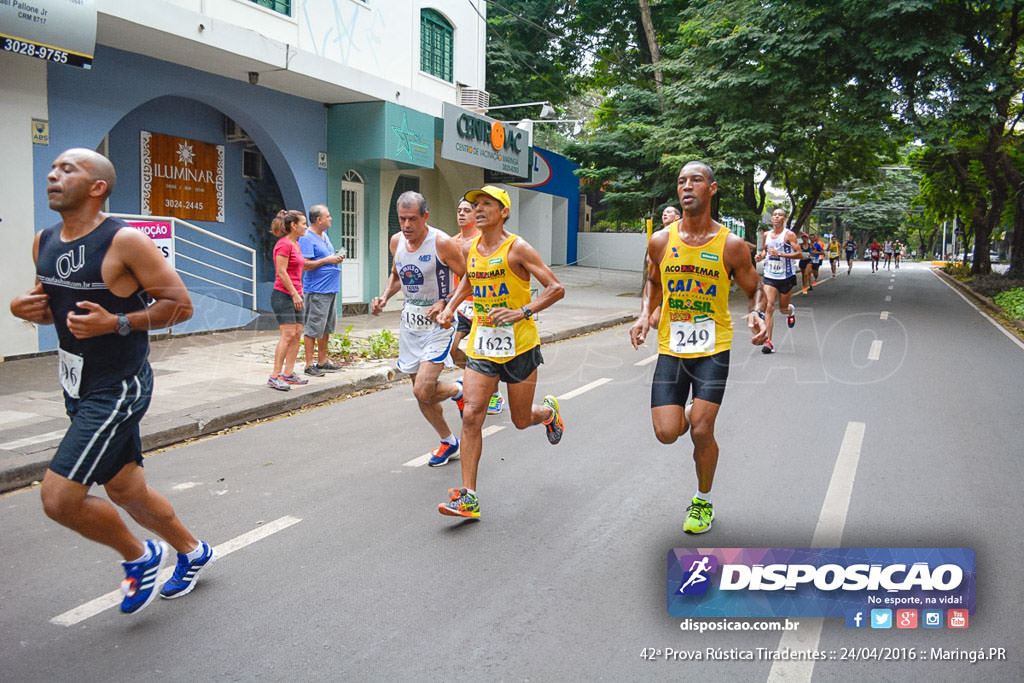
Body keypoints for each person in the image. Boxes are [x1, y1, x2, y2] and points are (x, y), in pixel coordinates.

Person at [9, 148, 213, 614]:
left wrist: (117, 323)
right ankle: (194, 550)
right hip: (76, 384)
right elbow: (49, 305)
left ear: (97, 186)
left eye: (67, 170)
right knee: (125, 490)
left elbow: (179, 305)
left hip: (120, 386)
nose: (53, 175)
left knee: (59, 499)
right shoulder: (45, 242)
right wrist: (21, 309)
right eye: (53, 169)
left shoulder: (125, 242)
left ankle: (140, 556)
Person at [629, 161, 767, 534]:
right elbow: (653, 283)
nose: (687, 186)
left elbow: (755, 289)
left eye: (696, 180)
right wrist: (646, 314)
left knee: (701, 430)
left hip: (712, 348)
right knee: (667, 432)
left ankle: (702, 500)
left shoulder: (732, 245)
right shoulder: (660, 240)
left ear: (712, 189)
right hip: (672, 348)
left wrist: (758, 315)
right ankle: (687, 412)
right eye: (681, 181)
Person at [436, 185, 566, 519]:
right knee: (472, 413)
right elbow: (469, 281)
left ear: (503, 211)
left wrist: (522, 311)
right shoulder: (472, 248)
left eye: (485, 204)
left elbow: (556, 288)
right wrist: (451, 307)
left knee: (521, 420)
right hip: (482, 343)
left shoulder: (518, 248)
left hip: (520, 346)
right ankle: (469, 497)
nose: (477, 209)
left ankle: (548, 414)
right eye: (474, 204)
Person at [371, 191, 466, 466]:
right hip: (410, 325)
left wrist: (445, 302)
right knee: (423, 397)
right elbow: (397, 274)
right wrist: (384, 296)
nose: (407, 225)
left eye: (412, 218)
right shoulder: (397, 242)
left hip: (441, 324)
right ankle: (448, 441)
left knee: (423, 390)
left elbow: (467, 279)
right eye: (402, 219)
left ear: (425, 216)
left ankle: (458, 390)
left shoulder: (442, 242)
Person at [450, 198, 505, 416]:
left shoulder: (483, 242)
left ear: (475, 215)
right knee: (451, 350)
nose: (462, 214)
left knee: (487, 354)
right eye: (459, 210)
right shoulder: (453, 242)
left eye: (466, 210)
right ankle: (478, 377)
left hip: (484, 307)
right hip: (462, 307)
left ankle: (493, 393)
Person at [298, 204, 344, 377]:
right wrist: (327, 260)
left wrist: (335, 258)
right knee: (313, 327)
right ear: (318, 219)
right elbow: (305, 265)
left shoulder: (324, 236)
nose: (330, 218)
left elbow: (327, 258)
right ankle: (309, 364)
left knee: (326, 327)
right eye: (328, 216)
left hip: (330, 289)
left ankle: (322, 361)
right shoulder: (307, 238)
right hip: (317, 290)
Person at [267, 210, 310, 390]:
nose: (306, 227)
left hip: (296, 294)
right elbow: (282, 272)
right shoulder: (283, 245)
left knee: (297, 333)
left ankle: (288, 373)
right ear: (294, 226)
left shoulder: (296, 244)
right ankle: (275, 376)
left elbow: (299, 267)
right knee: (288, 335)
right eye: (303, 223)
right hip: (283, 295)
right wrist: (293, 293)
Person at [754, 207, 801, 354]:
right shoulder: (766, 234)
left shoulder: (789, 235)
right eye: (774, 215)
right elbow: (764, 250)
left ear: (784, 219)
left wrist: (780, 254)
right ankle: (768, 341)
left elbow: (799, 254)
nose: (776, 217)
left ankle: (791, 311)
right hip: (770, 276)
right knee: (768, 306)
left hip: (786, 276)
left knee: (783, 309)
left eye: (780, 215)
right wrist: (760, 256)